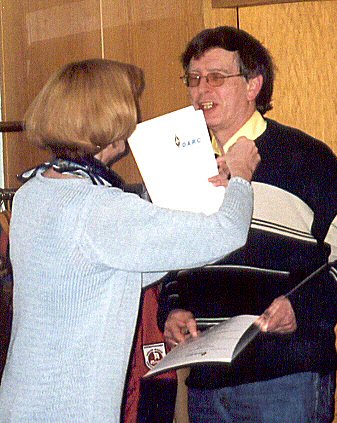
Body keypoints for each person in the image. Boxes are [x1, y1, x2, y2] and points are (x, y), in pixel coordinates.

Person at [158, 26, 337, 423]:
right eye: (194, 78)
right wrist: (173, 309)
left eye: (216, 77)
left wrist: (304, 306)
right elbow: (172, 260)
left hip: (284, 381)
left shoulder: (301, 156)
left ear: (253, 85)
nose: (202, 90)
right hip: (206, 384)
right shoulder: (182, 164)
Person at [0, 58, 260, 422]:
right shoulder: (100, 208)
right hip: (71, 408)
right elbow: (227, 231)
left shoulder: (34, 191)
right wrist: (241, 176)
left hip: (23, 400)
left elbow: (115, 267)